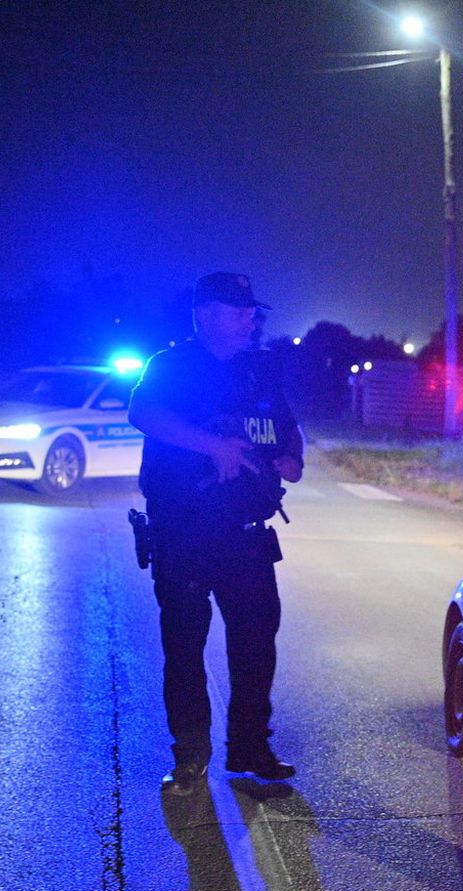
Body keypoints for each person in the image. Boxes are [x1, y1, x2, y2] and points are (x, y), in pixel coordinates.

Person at [130, 271, 304, 795]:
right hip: (183, 529)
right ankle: (189, 756)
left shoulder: (261, 369)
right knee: (185, 647)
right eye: (238, 309)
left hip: (246, 533)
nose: (250, 317)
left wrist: (291, 459)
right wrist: (212, 446)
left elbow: (288, 429)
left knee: (256, 644)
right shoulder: (171, 365)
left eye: (252, 310)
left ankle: (251, 748)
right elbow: (143, 412)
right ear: (205, 314)